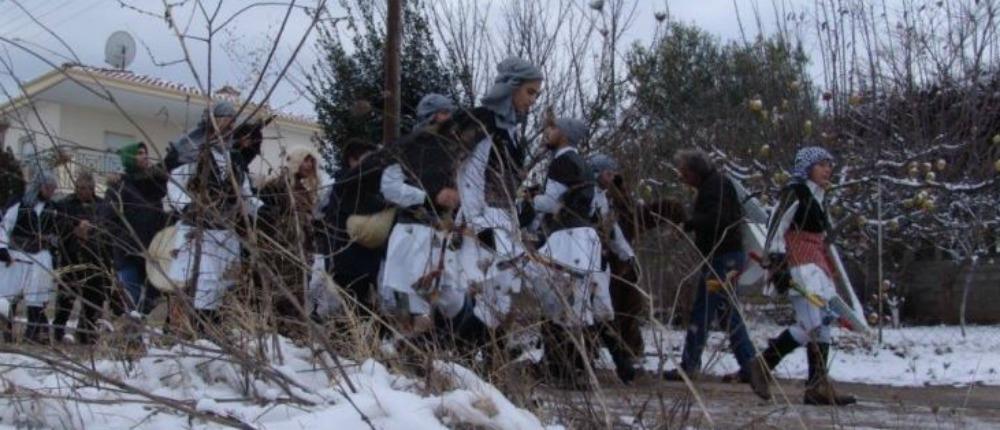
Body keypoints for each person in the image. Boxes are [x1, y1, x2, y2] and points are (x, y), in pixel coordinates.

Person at [751, 146, 857, 405]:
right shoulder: (794, 192)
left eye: (829, 164)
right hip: (799, 265)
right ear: (806, 167)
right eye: (821, 164)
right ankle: (761, 365)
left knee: (821, 326)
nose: (827, 169)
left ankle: (816, 388)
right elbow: (776, 226)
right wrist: (777, 265)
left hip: (816, 265)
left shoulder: (818, 196)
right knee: (811, 325)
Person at [663, 150, 768, 399]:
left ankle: (742, 366)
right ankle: (745, 365)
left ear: (693, 171)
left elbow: (716, 218)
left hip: (723, 259)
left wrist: (688, 224)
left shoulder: (715, 186)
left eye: (683, 173)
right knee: (722, 311)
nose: (681, 178)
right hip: (723, 258)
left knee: (713, 311)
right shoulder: (717, 184)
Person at [164, 101, 262, 335]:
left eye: (232, 120)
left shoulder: (234, 159)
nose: (229, 124)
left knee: (222, 283)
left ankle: (212, 331)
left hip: (225, 232)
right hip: (199, 232)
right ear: (211, 122)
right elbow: (176, 184)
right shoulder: (194, 153)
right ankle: (195, 331)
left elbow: (245, 193)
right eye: (224, 118)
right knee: (201, 282)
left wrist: (258, 209)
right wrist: (188, 206)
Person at [587, 153, 687, 374]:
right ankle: (596, 356)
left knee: (622, 310)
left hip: (617, 265)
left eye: (613, 174)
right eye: (608, 173)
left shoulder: (614, 201)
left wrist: (627, 255)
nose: (611, 178)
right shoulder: (590, 196)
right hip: (596, 262)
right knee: (599, 311)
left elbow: (620, 228)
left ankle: (625, 357)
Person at [528, 117, 607, 387]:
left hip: (567, 236)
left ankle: (559, 369)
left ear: (563, 134)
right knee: (578, 305)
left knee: (557, 300)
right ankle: (576, 369)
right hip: (585, 237)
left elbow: (551, 204)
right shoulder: (584, 163)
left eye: (551, 128)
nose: (546, 132)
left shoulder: (562, 161)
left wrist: (529, 200)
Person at [257, 146, 328, 336]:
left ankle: (292, 330)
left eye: (312, 161)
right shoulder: (278, 185)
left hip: (301, 248)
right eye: (306, 159)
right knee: (283, 288)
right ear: (296, 161)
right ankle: (279, 329)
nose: (309, 165)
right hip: (282, 247)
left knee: (298, 287)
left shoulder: (304, 190)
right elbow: (264, 216)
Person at [105, 142, 168, 317]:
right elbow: (107, 218)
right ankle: (131, 339)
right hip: (128, 254)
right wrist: (123, 239)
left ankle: (134, 333)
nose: (145, 156)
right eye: (139, 153)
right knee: (131, 301)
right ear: (129, 157)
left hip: (151, 253)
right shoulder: (119, 185)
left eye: (145, 152)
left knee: (150, 298)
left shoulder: (151, 186)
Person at [52, 170, 114, 344]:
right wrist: (75, 229)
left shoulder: (102, 206)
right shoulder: (66, 204)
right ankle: (58, 331)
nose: (82, 191)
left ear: (93, 188)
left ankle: (86, 332)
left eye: (86, 188)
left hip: (95, 259)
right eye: (79, 188)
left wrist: (91, 231)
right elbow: (58, 225)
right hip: (71, 257)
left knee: (93, 298)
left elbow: (108, 228)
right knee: (66, 298)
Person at [0, 170, 61, 343]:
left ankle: (33, 333)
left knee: (37, 295)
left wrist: (53, 247)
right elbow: (5, 226)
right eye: (48, 187)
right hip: (17, 254)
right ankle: (6, 331)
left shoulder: (53, 208)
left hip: (41, 256)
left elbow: (58, 232)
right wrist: (2, 249)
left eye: (53, 188)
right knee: (8, 294)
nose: (51, 191)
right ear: (39, 186)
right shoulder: (20, 204)